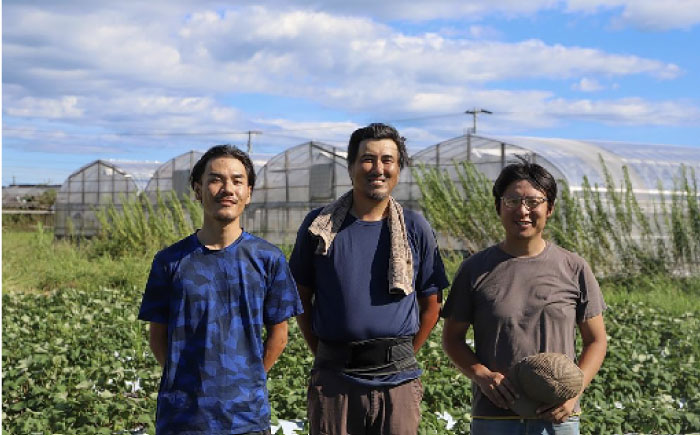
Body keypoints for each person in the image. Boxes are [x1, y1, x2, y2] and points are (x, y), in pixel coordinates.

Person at [289, 123, 450, 435]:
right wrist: (325, 352)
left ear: (398, 168)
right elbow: (300, 297)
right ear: (351, 167)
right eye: (368, 159)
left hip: (398, 383)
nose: (378, 169)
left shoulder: (415, 228)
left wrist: (399, 354)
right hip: (335, 382)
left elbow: (432, 304)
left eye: (387, 160)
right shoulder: (320, 226)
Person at [138, 145, 303, 435]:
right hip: (183, 419)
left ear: (248, 192)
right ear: (197, 189)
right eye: (216, 179)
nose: (227, 189)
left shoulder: (268, 259)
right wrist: (187, 383)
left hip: (246, 419)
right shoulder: (170, 262)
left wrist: (248, 378)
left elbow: (279, 335)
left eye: (237, 181)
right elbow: (158, 338)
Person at [441, 158, 608, 435]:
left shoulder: (574, 267)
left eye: (533, 201)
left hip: (558, 418)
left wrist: (573, 393)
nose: (523, 210)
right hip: (494, 417)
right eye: (512, 200)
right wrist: (481, 375)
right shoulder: (475, 269)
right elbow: (451, 338)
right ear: (498, 207)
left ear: (550, 208)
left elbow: (596, 340)